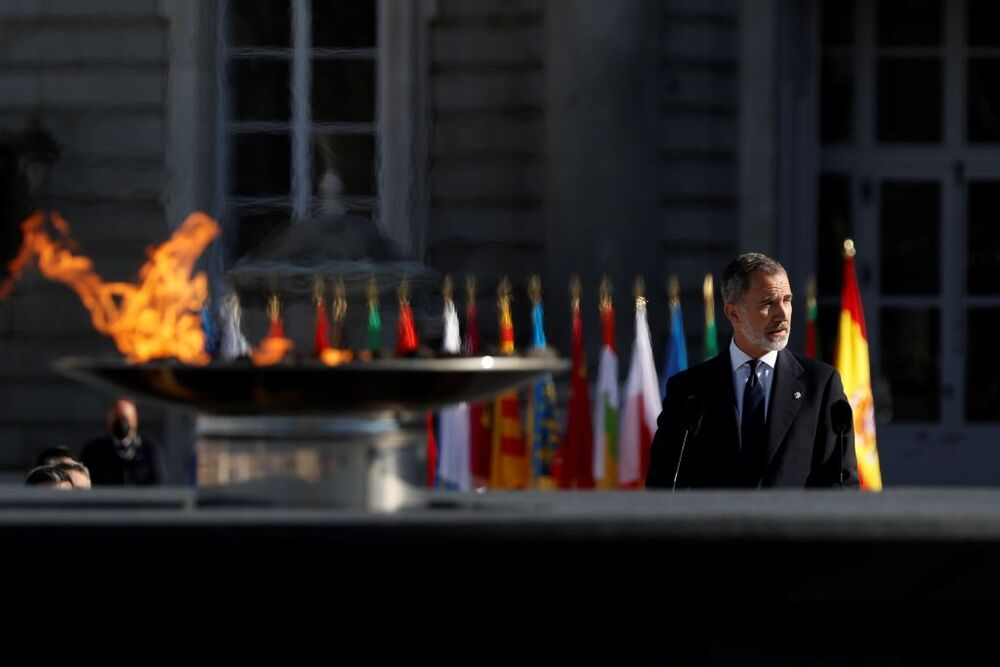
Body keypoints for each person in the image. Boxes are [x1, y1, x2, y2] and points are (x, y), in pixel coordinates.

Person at [646, 253, 859, 489]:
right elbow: (663, 483)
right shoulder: (688, 390)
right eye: (768, 302)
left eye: (787, 300)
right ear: (733, 313)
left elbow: (841, 483)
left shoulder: (820, 384)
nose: (782, 314)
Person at [80, 398, 166, 486]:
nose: (120, 423)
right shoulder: (93, 451)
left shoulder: (150, 450)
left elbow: (158, 485)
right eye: (116, 417)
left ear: (135, 420)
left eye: (125, 418)